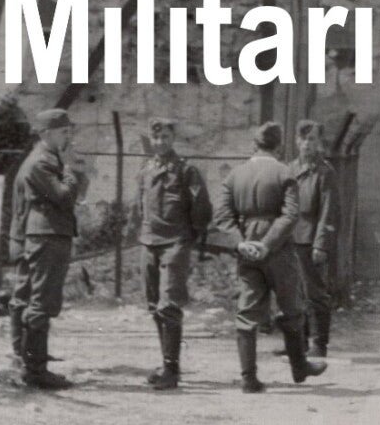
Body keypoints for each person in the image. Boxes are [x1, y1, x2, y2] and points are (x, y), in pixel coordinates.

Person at [214, 122, 327, 393]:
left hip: (247, 245)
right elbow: (290, 215)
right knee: (292, 306)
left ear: (254, 144)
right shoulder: (285, 173)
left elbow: (223, 217)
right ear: (279, 146)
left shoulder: (234, 175)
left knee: (248, 309)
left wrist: (241, 244)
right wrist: (267, 244)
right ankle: (299, 367)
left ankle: (248, 377)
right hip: (278, 248)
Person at [9, 108, 89, 390]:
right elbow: (65, 196)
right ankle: (35, 371)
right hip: (47, 235)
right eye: (63, 132)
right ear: (46, 134)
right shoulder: (41, 163)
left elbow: (78, 191)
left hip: (50, 233)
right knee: (41, 302)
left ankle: (31, 360)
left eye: (69, 131)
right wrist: (69, 169)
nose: (69, 136)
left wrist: (72, 169)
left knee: (37, 300)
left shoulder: (49, 159)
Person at [136, 117, 212, 391]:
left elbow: (201, 207)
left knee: (169, 305)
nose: (160, 142)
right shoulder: (146, 169)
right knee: (154, 304)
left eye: (165, 137)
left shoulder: (186, 170)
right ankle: (166, 364)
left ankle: (172, 368)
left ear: (172, 138)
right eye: (155, 138)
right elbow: (139, 205)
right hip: (149, 241)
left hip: (175, 242)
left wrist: (189, 236)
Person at [289, 118, 338, 358]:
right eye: (303, 139)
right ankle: (299, 342)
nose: (307, 144)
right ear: (296, 141)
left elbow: (328, 211)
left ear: (319, 143)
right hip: (291, 240)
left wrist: (321, 244)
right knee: (295, 293)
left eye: (312, 140)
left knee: (315, 293)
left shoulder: (325, 173)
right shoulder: (290, 170)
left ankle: (319, 343)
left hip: (311, 240)